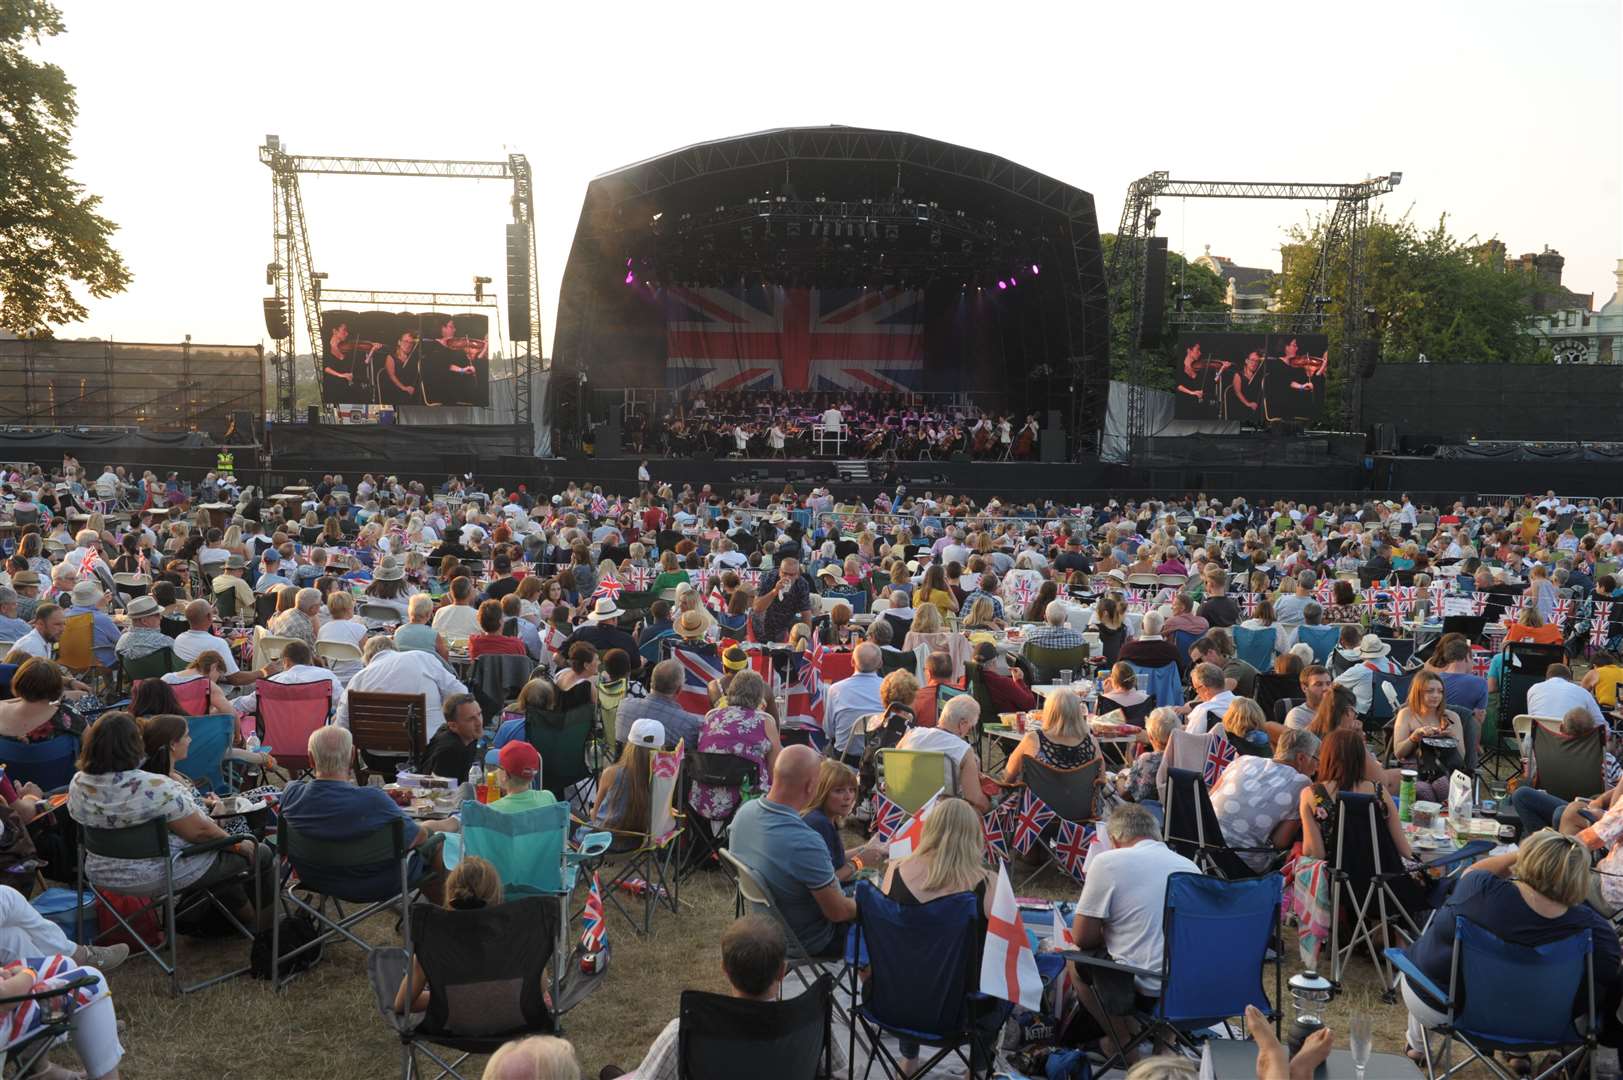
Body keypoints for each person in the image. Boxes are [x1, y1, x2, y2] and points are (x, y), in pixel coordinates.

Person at [1398, 830, 1620, 1068]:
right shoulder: (1595, 931)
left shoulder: (1478, 891)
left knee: (1431, 956)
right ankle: (1517, 1053)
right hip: (1543, 1029)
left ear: (1526, 858)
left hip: (1449, 1014)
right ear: (1581, 878)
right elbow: (1603, 981)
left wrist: (1519, 854)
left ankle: (1417, 1047)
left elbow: (1475, 870)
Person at [68, 711, 275, 931]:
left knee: (218, 854)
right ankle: (266, 929)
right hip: (162, 871)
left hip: (101, 872)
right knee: (258, 852)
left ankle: (240, 915)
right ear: (133, 745)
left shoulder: (79, 784)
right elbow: (201, 832)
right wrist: (237, 843)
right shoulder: (155, 786)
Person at [600, 915, 845, 1080]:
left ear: (724, 969)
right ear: (782, 971)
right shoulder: (809, 1020)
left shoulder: (684, 1031)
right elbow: (837, 1069)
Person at [880, 798, 1005, 1076]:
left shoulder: (895, 871)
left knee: (913, 963)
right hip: (962, 1010)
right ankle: (978, 1069)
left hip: (897, 1000)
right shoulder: (987, 883)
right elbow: (1007, 944)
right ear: (974, 836)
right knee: (1004, 979)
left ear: (929, 829)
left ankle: (909, 1060)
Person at [1068, 803, 1200, 1064]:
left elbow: (1082, 938)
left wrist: (1110, 931)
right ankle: (1165, 1046)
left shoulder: (1108, 861)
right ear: (1156, 835)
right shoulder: (1190, 867)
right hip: (1193, 987)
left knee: (1076, 961)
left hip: (1145, 986)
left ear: (1115, 840)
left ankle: (1126, 1048)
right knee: (1161, 958)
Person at [279, 725, 456, 904]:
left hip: (315, 878)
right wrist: (439, 825)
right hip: (375, 884)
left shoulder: (291, 794)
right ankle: (445, 915)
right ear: (352, 756)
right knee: (437, 843)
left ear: (310, 759)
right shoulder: (374, 800)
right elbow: (419, 837)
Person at [728, 744, 854, 957]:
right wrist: (872, 904)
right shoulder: (804, 841)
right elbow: (838, 912)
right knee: (885, 914)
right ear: (811, 786)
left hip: (766, 926)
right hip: (809, 940)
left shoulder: (744, 813)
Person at [393, 855, 506, 1015]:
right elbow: (539, 991)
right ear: (497, 897)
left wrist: (447, 998)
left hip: (455, 1025)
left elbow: (401, 1005)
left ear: (449, 893)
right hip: (506, 1021)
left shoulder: (432, 941)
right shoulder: (515, 936)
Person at [1298, 727, 1413, 863]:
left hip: (1336, 880)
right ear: (1361, 758)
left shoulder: (1311, 794)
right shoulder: (1379, 791)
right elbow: (1404, 850)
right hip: (1382, 878)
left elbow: (1315, 854)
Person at [1210, 727, 1318, 871]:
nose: (1317, 768)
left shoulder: (1243, 760)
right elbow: (1280, 842)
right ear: (1301, 758)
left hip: (1202, 846)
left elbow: (1210, 795)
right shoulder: (1301, 783)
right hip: (1239, 863)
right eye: (1317, 759)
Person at [690, 671, 780, 823]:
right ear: (759, 697)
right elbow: (776, 767)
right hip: (747, 806)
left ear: (730, 692)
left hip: (703, 801)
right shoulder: (764, 721)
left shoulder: (711, 717)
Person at [335, 637, 468, 740]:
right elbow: (461, 693)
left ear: (368, 659)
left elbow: (342, 725)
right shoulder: (420, 658)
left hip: (375, 755)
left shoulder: (358, 678)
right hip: (427, 750)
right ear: (394, 649)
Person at [896, 695, 990, 813]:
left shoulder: (911, 734)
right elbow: (974, 799)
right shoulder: (964, 750)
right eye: (970, 728)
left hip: (902, 811)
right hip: (942, 818)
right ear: (963, 723)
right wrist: (991, 804)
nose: (968, 732)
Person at [801, 759, 885, 884]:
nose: (848, 797)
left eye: (852, 790)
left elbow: (835, 860)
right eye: (839, 790)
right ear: (822, 792)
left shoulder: (821, 818)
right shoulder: (819, 823)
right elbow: (828, 882)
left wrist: (867, 847)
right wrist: (860, 861)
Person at [1392, 669, 1465, 802]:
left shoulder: (1452, 717)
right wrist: (1415, 736)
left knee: (1442, 785)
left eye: (1440, 691)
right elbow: (1398, 752)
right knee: (1423, 790)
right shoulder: (1407, 714)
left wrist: (1454, 737)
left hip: (1445, 769)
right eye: (1430, 691)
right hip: (1416, 771)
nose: (1436, 695)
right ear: (1418, 692)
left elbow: (1462, 756)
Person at [1003, 686, 1097, 783]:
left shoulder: (1033, 739)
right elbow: (1101, 779)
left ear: (1048, 712)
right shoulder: (1091, 742)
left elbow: (1009, 775)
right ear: (1077, 713)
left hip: (1039, 797)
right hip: (1082, 797)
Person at [590, 719, 659, 841]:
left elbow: (594, 816)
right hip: (638, 843)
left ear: (629, 745)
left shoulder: (611, 773)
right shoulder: (660, 780)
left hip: (601, 843)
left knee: (564, 814)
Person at [614, 658, 701, 752]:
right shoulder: (689, 725)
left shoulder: (624, 707)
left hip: (625, 764)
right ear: (679, 690)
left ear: (651, 682)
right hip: (664, 766)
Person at [823, 642, 884, 769]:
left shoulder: (835, 689)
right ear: (880, 664)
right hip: (879, 760)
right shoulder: (889, 689)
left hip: (845, 760)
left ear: (852, 662)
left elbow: (829, 731)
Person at [419, 693, 484, 781]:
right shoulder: (450, 750)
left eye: (479, 714)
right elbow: (441, 791)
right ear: (453, 726)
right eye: (471, 719)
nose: (479, 722)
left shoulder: (469, 736)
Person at [1332, 634, 1401, 716]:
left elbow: (1334, 684)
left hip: (1364, 715)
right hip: (1390, 713)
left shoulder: (1359, 670)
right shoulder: (1394, 667)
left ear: (1362, 652)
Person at [171, 598, 242, 676]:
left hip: (184, 683)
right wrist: (257, 673)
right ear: (209, 616)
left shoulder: (178, 639)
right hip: (207, 686)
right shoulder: (218, 643)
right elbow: (235, 678)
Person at [1528, 663, 1603, 727]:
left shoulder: (1533, 689)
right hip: (1571, 742)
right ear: (1569, 680)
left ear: (1547, 678)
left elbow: (1532, 717)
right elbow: (1601, 724)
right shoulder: (1583, 692)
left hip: (1538, 741)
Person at [489, 740, 554, 812]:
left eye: (499, 766)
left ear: (505, 775)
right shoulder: (548, 797)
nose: (496, 771)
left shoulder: (492, 810)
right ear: (532, 776)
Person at [113, 594, 169, 663]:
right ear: (144, 621)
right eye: (157, 615)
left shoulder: (122, 640)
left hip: (130, 673)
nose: (161, 617)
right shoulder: (164, 641)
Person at [1181, 663, 1233, 735]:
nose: (1197, 692)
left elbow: (1190, 739)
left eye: (1196, 688)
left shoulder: (1203, 710)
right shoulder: (1242, 703)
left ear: (1204, 688)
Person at [1284, 664, 1333, 730]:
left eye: (1328, 684)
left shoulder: (1338, 709)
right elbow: (1304, 739)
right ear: (1304, 688)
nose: (1325, 688)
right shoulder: (1297, 715)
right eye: (1318, 684)